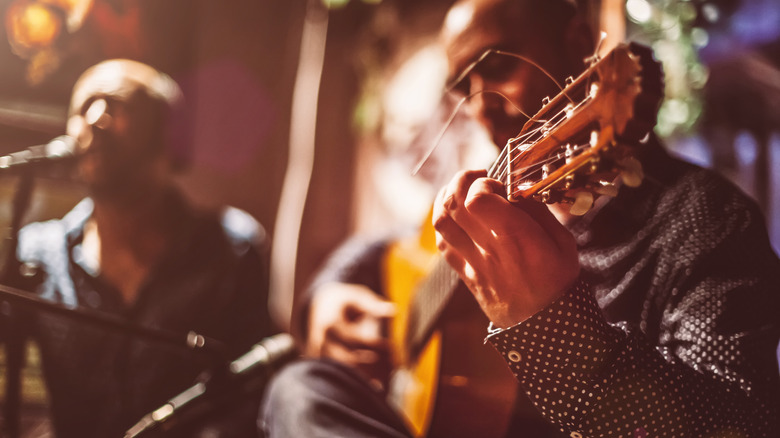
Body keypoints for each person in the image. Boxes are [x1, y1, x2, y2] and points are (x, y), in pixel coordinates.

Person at [260, 0, 780, 437]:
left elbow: (741, 423)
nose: (482, 109)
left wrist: (554, 327)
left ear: (579, 41)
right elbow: (384, 246)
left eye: (498, 65)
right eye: (465, 87)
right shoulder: (498, 195)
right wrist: (327, 296)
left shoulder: (707, 220)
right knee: (300, 386)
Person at [9, 59, 274, 437]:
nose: (96, 119)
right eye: (84, 107)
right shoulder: (36, 252)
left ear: (170, 135)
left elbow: (253, 392)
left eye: (117, 106)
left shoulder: (232, 248)